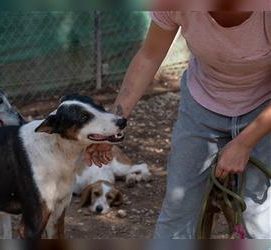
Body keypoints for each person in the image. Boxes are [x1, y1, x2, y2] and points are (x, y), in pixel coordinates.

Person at [84, 10, 271, 239]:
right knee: (178, 210)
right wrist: (111, 127)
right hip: (202, 104)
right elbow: (149, 56)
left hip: (264, 107)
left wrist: (244, 143)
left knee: (258, 217)